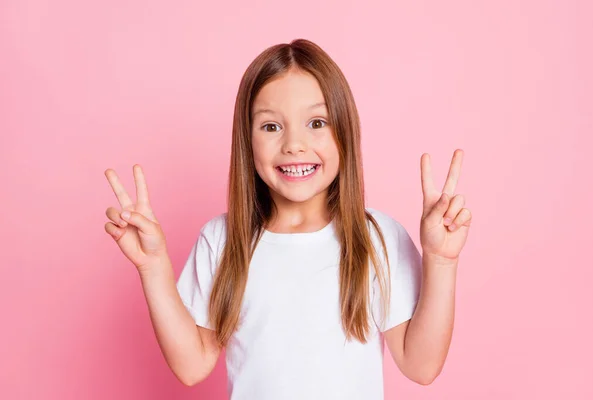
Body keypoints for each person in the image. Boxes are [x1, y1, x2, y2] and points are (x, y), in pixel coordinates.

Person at [103, 38, 472, 400]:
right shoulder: (223, 239)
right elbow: (192, 365)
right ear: (247, 140)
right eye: (271, 126)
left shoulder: (377, 237)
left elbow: (421, 366)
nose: (294, 144)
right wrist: (152, 267)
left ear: (344, 130)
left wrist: (441, 260)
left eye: (316, 122)